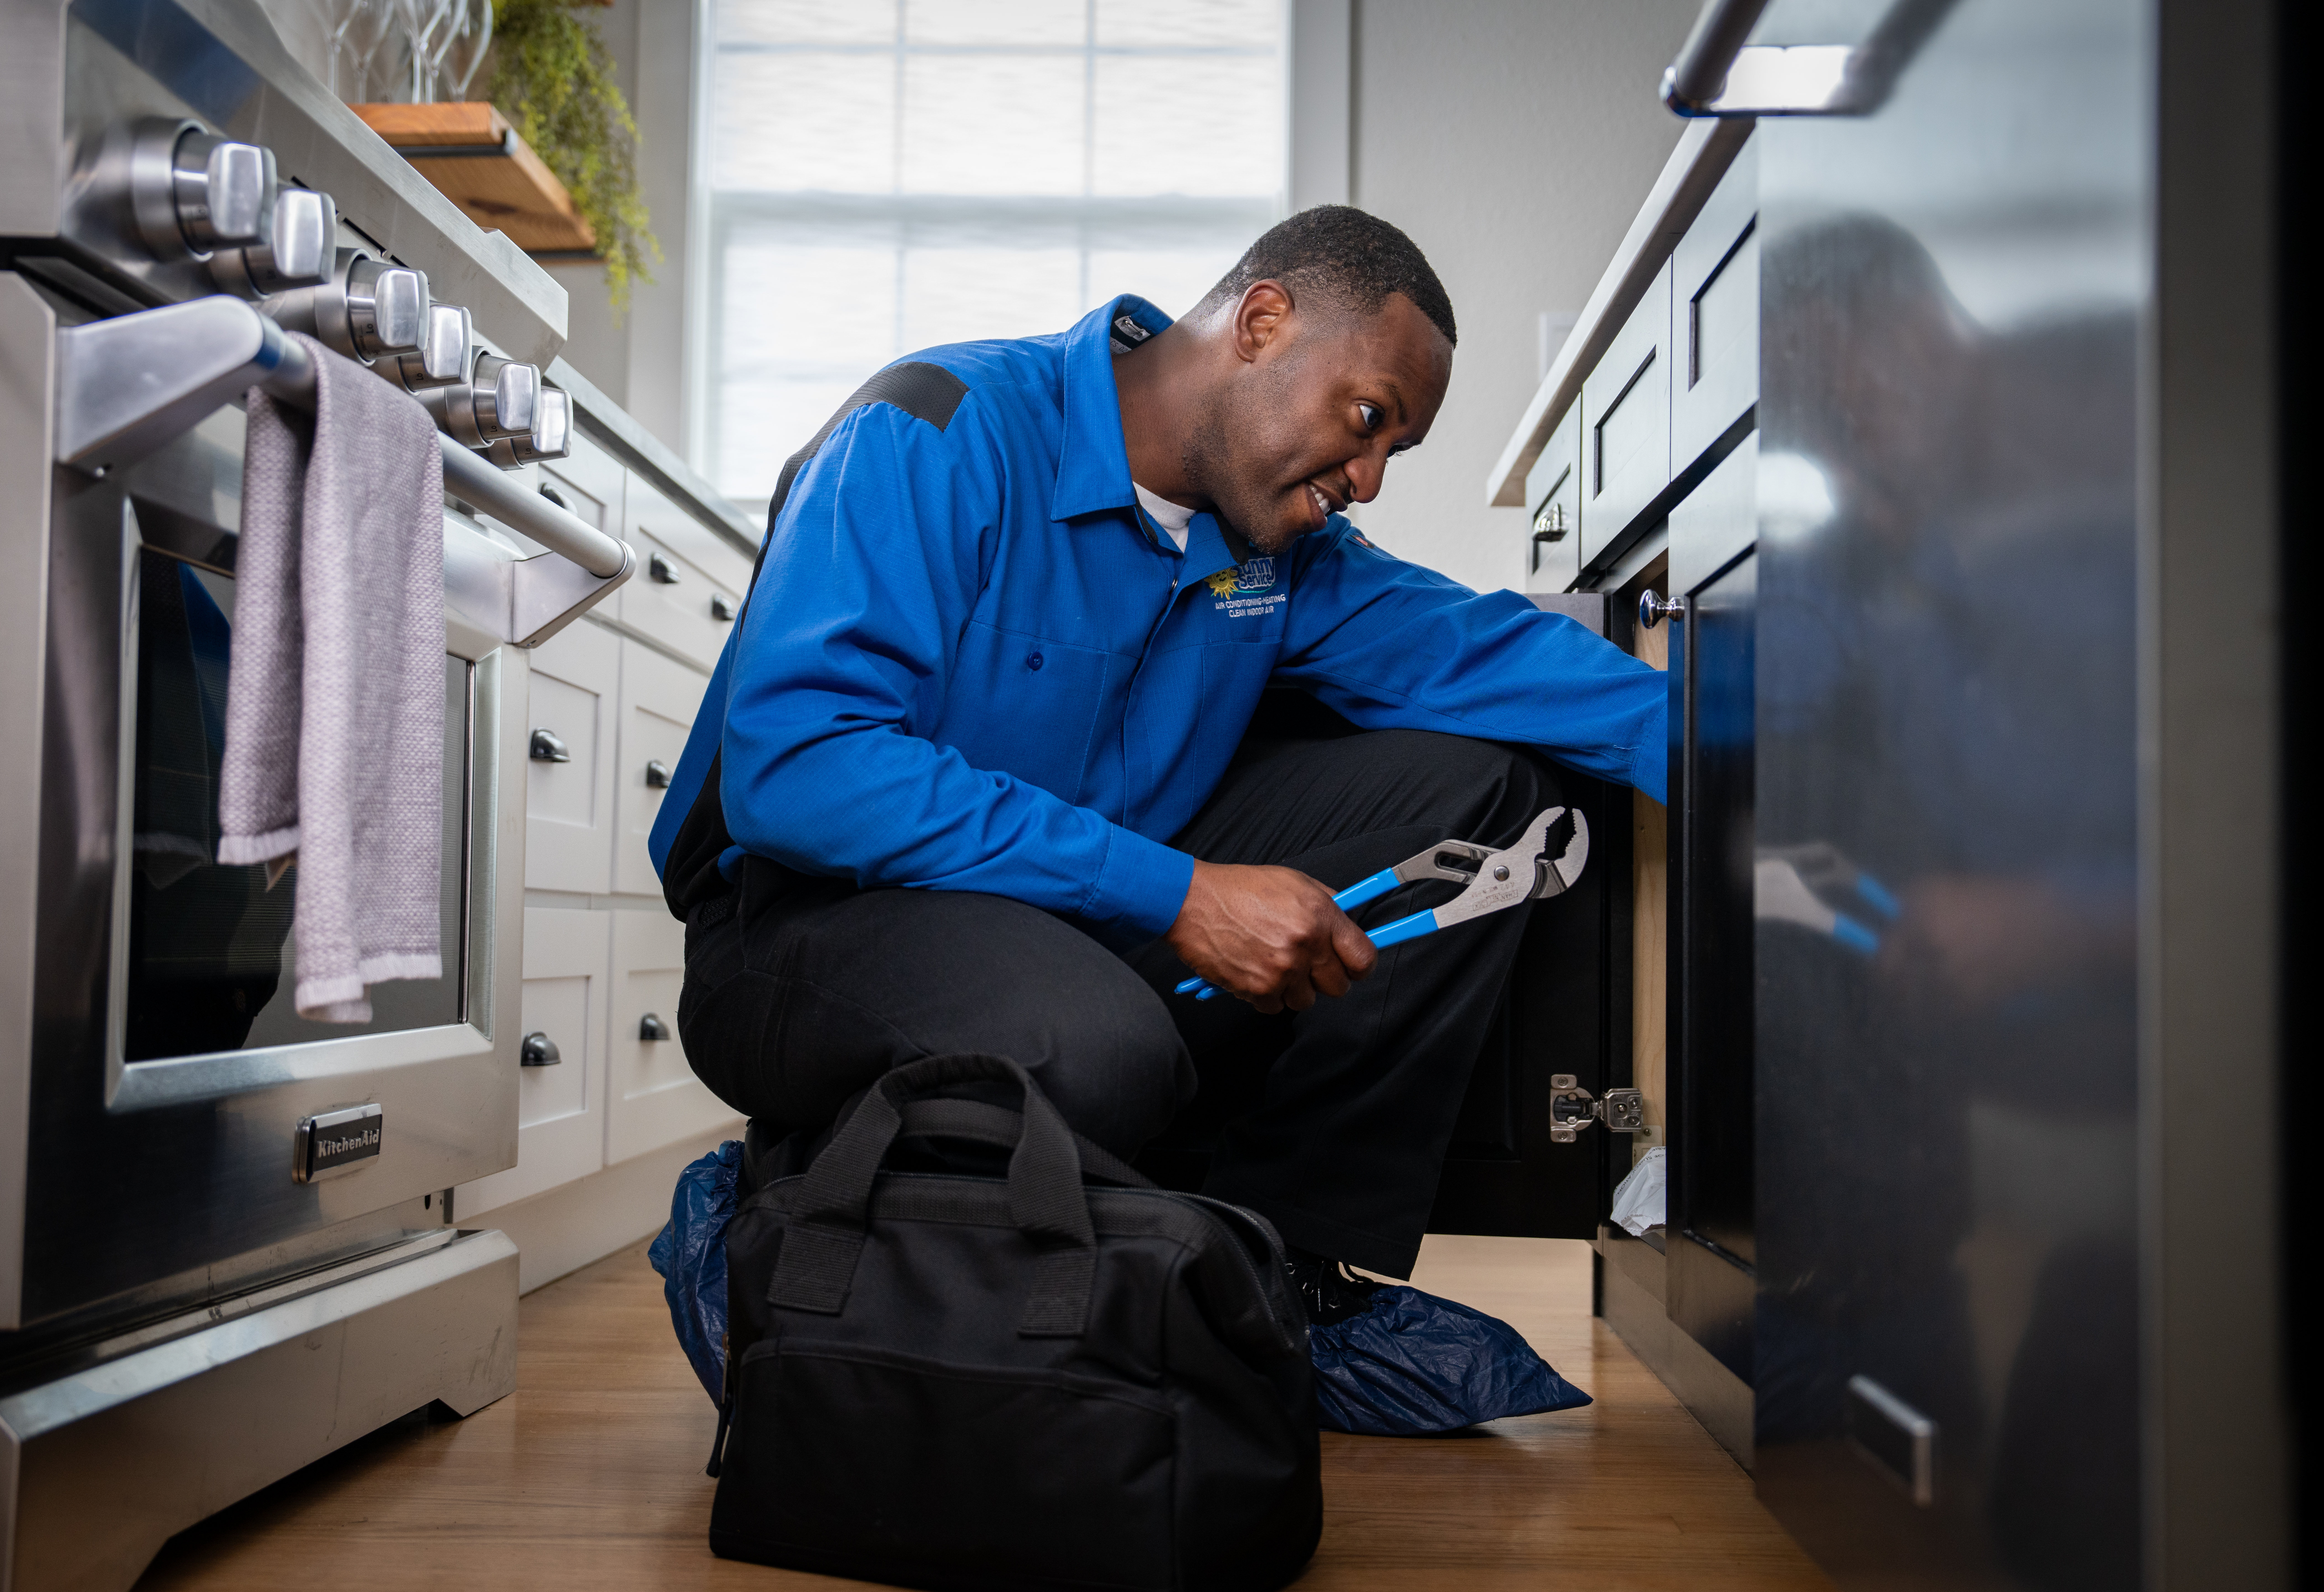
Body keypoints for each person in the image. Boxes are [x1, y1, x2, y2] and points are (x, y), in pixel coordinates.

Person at [651, 206, 1665, 1321]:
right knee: (1099, 1047)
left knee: (1482, 802)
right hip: (805, 923)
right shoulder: (939, 429)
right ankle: (830, 1194)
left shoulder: (1280, 548)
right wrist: (1175, 893)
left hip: (1059, 909)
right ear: (1263, 322)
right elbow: (802, 770)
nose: (1369, 478)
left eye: (1393, 449)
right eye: (1367, 418)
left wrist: (1765, 759)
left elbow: (1478, 648)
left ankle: (1282, 1275)